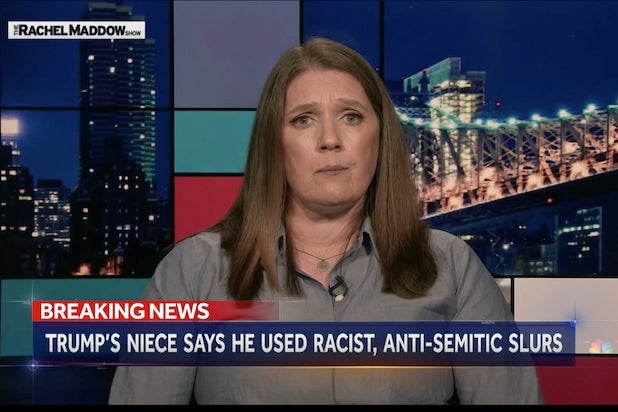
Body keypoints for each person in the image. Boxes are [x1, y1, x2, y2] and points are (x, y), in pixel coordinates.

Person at [108, 36, 544, 405]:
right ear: (274, 144)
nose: (330, 140)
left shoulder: (453, 267)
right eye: (303, 120)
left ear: (380, 136)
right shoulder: (193, 270)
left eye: (351, 117)